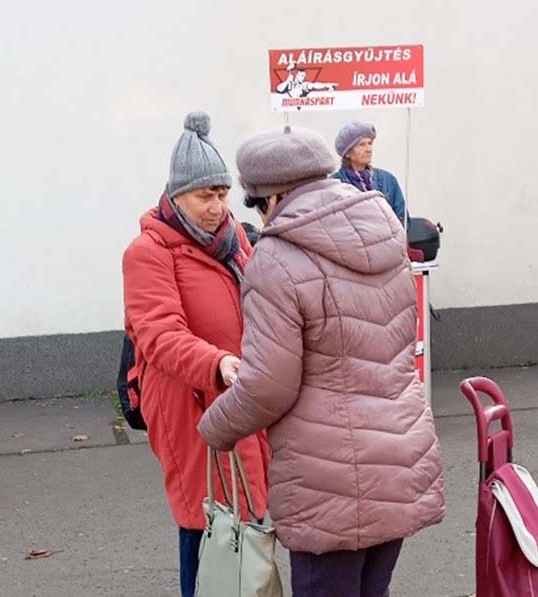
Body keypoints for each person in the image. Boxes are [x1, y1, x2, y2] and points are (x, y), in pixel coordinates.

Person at [198, 126, 445, 597]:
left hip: (328, 478)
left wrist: (216, 427)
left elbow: (268, 385)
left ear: (269, 197)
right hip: (398, 455)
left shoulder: (276, 259)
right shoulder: (385, 231)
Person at [121, 112, 270, 597]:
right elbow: (160, 334)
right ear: (176, 195)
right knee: (207, 524)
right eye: (205, 195)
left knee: (246, 523)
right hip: (190, 406)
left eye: (223, 193)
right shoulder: (148, 252)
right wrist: (217, 363)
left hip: (239, 395)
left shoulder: (234, 239)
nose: (217, 205)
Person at [331, 122, 407, 225]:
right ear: (347, 153)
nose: (368, 149)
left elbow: (403, 218)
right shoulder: (335, 185)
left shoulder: (388, 180)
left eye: (370, 143)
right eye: (361, 145)